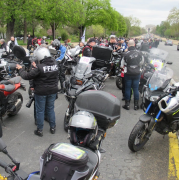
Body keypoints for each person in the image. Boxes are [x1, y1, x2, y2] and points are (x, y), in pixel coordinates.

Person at [16, 47, 59, 137]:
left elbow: (27, 76)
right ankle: (53, 127)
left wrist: (20, 69)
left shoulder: (39, 67)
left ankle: (40, 130)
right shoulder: (55, 64)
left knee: (40, 111)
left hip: (41, 91)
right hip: (53, 90)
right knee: (50, 109)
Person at [120, 40, 144, 110]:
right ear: (134, 44)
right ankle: (136, 105)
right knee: (136, 88)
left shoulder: (125, 54)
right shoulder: (140, 53)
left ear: (128, 45)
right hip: (137, 72)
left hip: (128, 73)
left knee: (128, 88)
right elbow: (142, 63)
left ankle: (127, 105)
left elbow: (122, 65)